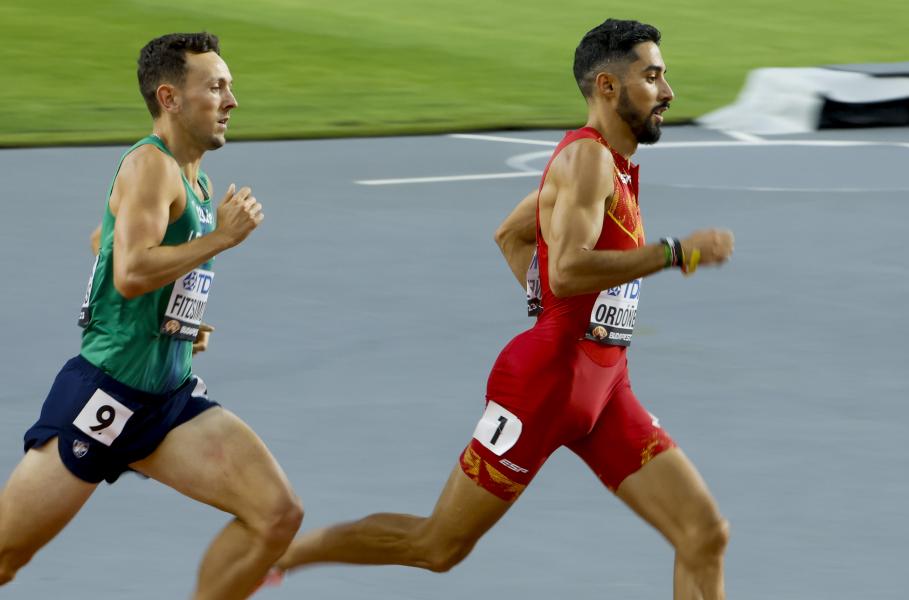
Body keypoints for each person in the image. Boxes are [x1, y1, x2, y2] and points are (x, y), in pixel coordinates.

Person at [273, 18, 734, 598]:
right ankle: (293, 552)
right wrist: (674, 253)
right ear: (608, 87)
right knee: (437, 547)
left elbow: (511, 235)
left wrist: (554, 315)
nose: (668, 92)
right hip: (541, 387)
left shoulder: (609, 166)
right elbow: (566, 271)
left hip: (605, 387)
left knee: (703, 533)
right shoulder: (586, 161)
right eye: (653, 76)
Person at [0, 32, 303, 600]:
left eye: (230, 86)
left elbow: (104, 242)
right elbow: (131, 270)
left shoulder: (198, 179)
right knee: (5, 558)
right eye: (216, 87)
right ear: (170, 98)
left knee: (278, 514)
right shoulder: (150, 166)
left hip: (167, 400)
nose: (232, 100)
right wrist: (220, 239)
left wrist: (174, 324)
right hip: (105, 398)